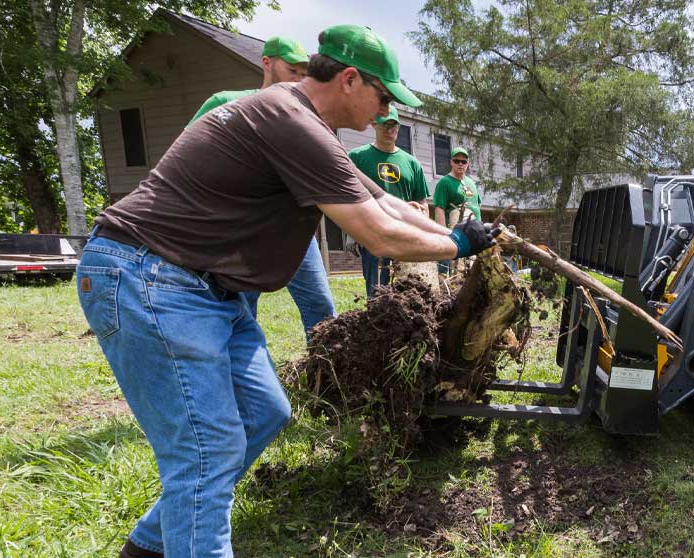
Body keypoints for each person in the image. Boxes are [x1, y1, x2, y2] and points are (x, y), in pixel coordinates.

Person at [78, 24, 495, 558]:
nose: (384, 111)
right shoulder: (288, 118)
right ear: (349, 80)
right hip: (152, 277)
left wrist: (468, 236)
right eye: (382, 96)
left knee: (263, 412)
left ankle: (152, 545)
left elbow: (386, 204)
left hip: (207, 291)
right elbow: (376, 235)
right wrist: (459, 244)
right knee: (208, 450)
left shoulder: (307, 126)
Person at [187, 36, 335, 339]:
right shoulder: (227, 101)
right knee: (242, 308)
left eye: (303, 72)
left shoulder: (304, 117)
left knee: (320, 302)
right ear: (266, 62)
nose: (299, 78)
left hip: (293, 227)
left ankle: (328, 376)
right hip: (244, 230)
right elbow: (187, 153)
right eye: (292, 70)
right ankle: (246, 376)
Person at [348, 105, 430, 297]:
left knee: (408, 291)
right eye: (384, 125)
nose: (389, 130)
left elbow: (423, 203)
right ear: (374, 124)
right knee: (377, 292)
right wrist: (352, 234)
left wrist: (422, 223)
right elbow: (348, 196)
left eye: (393, 125)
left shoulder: (412, 163)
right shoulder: (357, 157)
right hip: (372, 234)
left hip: (405, 234)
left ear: (399, 127)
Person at [433, 147, 482, 273]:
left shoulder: (471, 183)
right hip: (455, 233)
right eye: (456, 161)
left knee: (470, 269)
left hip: (474, 234)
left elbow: (477, 206)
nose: (460, 164)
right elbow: (439, 209)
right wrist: (444, 234)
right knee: (450, 270)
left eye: (463, 161)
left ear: (468, 163)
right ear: (451, 162)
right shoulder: (445, 182)